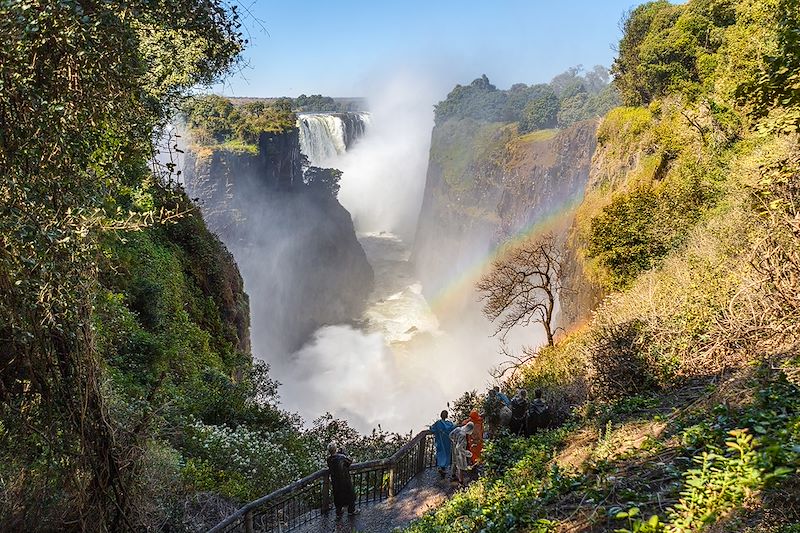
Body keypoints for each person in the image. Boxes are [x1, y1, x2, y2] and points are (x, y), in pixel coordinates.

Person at [326, 442, 358, 518]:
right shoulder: (341, 457)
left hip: (335, 482)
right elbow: (349, 462)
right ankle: (351, 511)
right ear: (335, 449)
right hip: (345, 480)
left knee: (338, 496)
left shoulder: (329, 459)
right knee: (350, 495)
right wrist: (344, 453)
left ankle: (339, 512)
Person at [429, 410, 456, 479]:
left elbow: (432, 429)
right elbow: (454, 428)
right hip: (447, 442)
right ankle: (443, 469)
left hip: (440, 442)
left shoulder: (438, 423)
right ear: (447, 416)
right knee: (446, 455)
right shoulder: (449, 424)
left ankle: (441, 468)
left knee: (441, 454)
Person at [449, 421, 474, 485]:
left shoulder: (458, 429)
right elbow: (459, 447)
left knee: (454, 462)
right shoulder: (463, 435)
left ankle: (453, 475)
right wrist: (467, 453)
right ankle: (461, 481)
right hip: (459, 452)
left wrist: (454, 441)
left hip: (453, 448)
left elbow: (450, 435)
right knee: (460, 466)